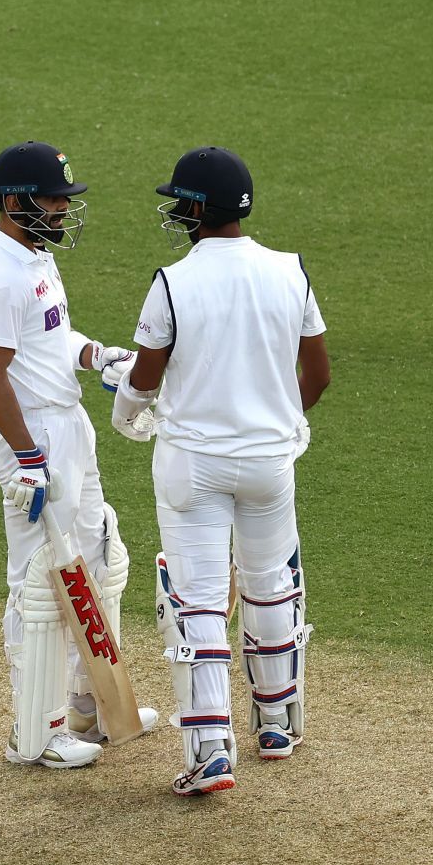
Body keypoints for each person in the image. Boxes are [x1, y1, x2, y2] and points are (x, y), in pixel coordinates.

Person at [111, 145, 330, 797]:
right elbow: (316, 374)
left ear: (196, 211)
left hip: (193, 467)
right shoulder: (291, 272)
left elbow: (145, 379)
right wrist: (273, 420)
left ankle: (210, 749)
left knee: (198, 600)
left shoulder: (174, 282)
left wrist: (126, 411)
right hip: (270, 462)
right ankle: (277, 725)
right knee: (269, 586)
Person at [0, 141, 157, 771]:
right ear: (16, 202)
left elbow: (50, 337)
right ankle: (34, 731)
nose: (62, 210)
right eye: (53, 199)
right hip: (35, 436)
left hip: (67, 423)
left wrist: (98, 355)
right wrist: (26, 458)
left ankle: (90, 704)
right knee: (37, 581)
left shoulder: (37, 257)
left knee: (102, 557)